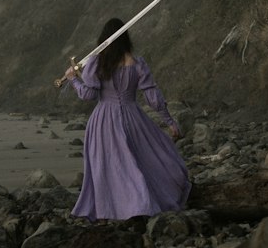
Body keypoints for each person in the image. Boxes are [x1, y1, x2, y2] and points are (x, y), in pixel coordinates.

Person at [64, 17, 190, 221]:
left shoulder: (97, 63)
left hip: (104, 120)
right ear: (125, 39)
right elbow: (153, 98)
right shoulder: (137, 63)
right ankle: (139, 203)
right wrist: (169, 121)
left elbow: (88, 95)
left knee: (110, 164)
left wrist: (73, 80)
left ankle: (114, 208)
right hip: (133, 117)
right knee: (141, 160)